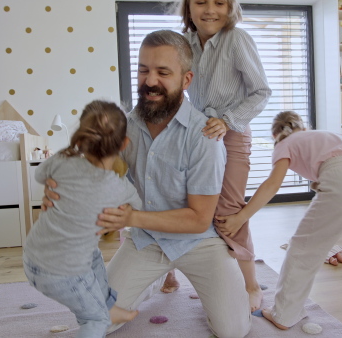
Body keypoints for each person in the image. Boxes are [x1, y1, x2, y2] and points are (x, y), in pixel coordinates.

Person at [43, 30, 251, 337]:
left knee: (232, 331)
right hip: (147, 242)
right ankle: (153, 277)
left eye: (163, 72)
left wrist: (130, 218)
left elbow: (198, 219)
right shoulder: (125, 126)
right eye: (143, 70)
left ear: (186, 79)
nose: (150, 81)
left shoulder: (205, 138)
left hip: (200, 243)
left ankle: (194, 282)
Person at [215, 111, 342, 330]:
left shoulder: (284, 144)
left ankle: (284, 314)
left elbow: (272, 184)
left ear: (277, 134)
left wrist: (241, 216)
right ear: (302, 127)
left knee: (303, 249)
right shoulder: (328, 135)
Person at [160, 0, 272, 312]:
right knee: (178, 200)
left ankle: (250, 285)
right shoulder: (185, 44)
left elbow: (261, 91)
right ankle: (167, 271)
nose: (210, 10)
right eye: (201, 2)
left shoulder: (237, 39)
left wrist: (227, 121)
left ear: (230, 7)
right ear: (188, 7)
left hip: (232, 132)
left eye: (219, 2)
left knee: (227, 209)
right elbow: (177, 89)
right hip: (196, 135)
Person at [22, 100, 141, 338]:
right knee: (95, 320)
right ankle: (102, 312)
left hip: (33, 258)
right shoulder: (119, 188)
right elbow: (138, 207)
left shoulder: (61, 161)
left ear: (81, 137)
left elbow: (39, 174)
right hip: (63, 273)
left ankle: (108, 305)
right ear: (124, 144)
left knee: (95, 257)